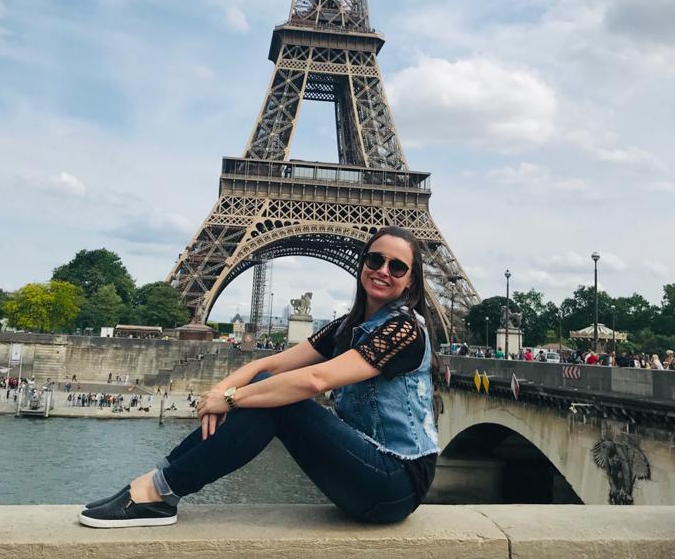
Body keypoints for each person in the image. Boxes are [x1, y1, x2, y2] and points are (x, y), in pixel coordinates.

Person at [78, 226, 441, 529]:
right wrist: (222, 389)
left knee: (282, 404)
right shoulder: (350, 327)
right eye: (375, 259)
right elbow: (272, 364)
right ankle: (159, 480)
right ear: (363, 263)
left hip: (395, 483)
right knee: (268, 384)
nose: (383, 270)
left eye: (397, 267)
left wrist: (233, 400)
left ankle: (159, 492)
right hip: (365, 473)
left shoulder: (404, 331)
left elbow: (314, 380)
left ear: (410, 282)